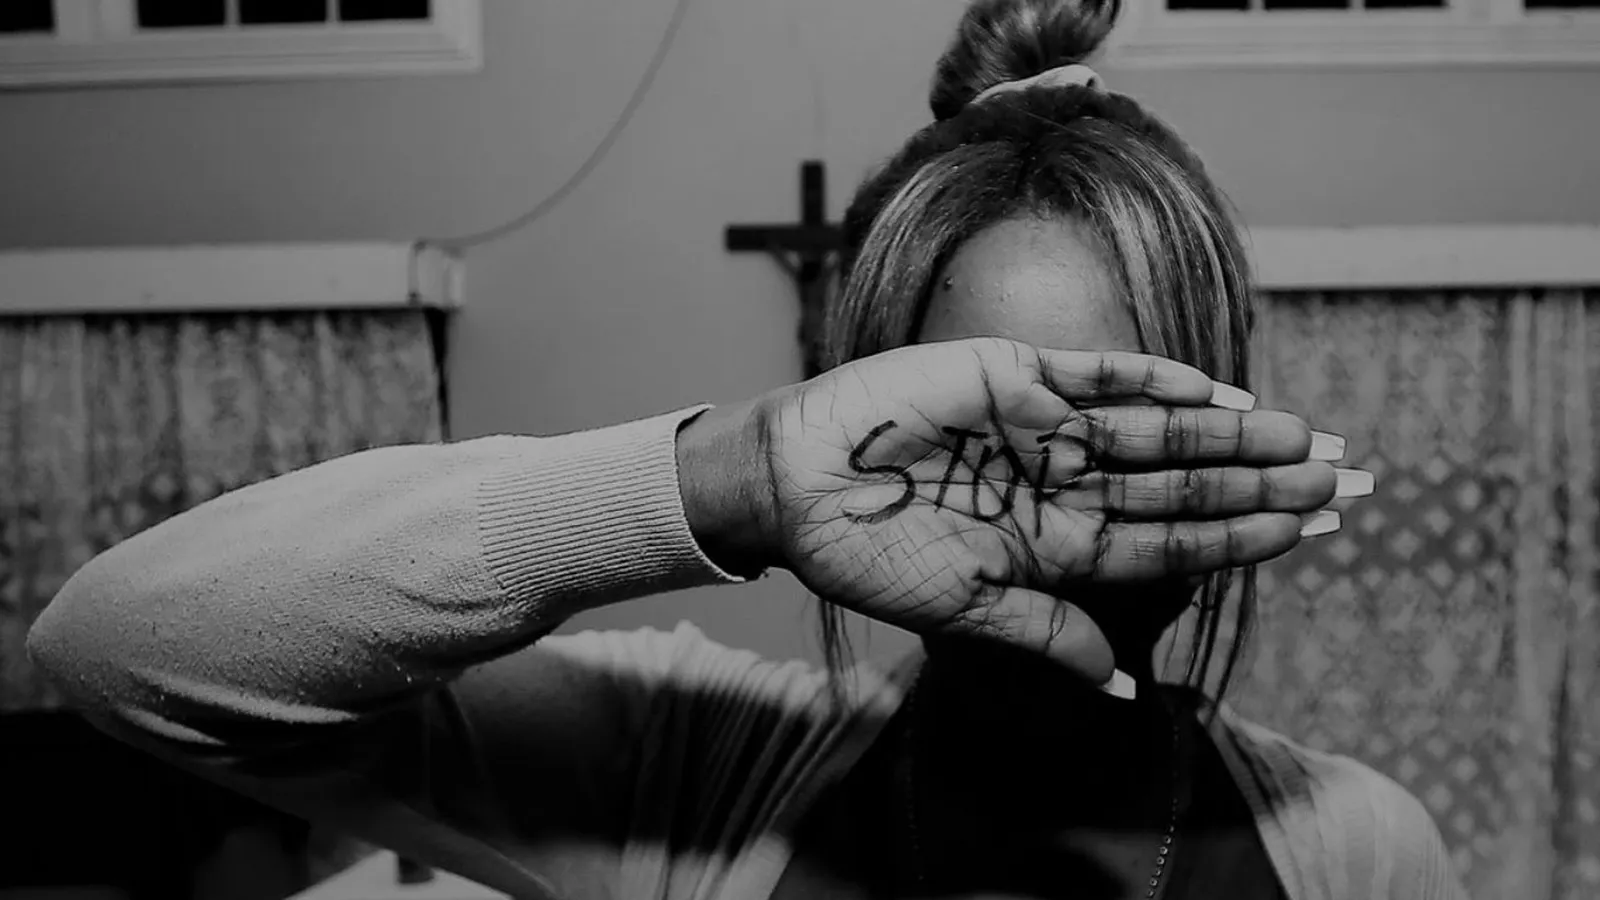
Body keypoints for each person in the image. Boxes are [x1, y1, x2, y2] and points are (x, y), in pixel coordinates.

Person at [27, 1, 1465, 898]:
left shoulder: (1355, 850)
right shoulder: (679, 779)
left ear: (1229, 454)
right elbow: (119, 649)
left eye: (1129, 439)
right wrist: (739, 478)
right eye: (984, 433)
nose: (1043, 518)